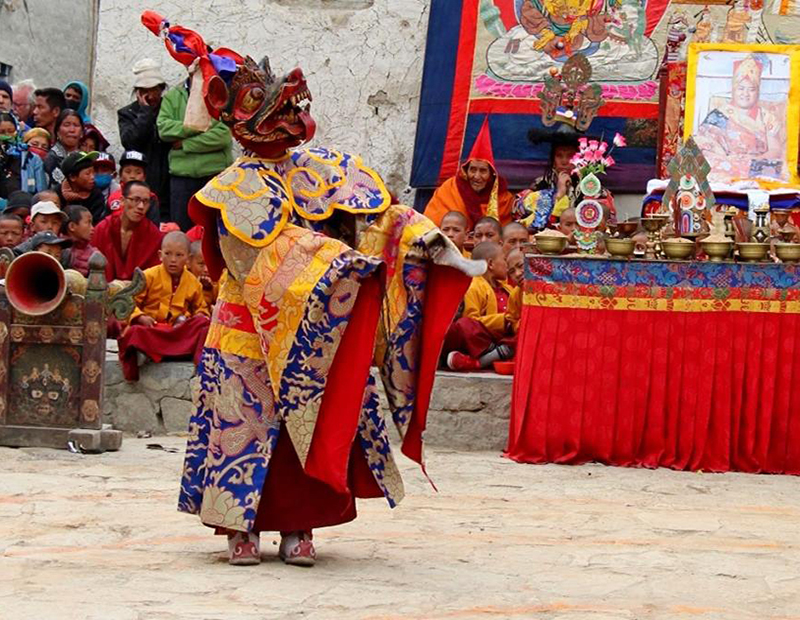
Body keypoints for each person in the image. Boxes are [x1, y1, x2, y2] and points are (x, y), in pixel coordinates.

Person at [117, 231, 210, 381]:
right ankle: (169, 352)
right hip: (153, 329)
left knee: (203, 324)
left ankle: (195, 363)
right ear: (160, 255)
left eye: (179, 255)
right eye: (168, 254)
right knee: (134, 332)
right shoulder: (148, 276)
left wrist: (199, 315)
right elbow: (128, 304)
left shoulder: (193, 282)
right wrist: (140, 317)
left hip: (177, 331)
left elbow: (202, 309)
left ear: (188, 258)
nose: (173, 260)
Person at [694, 54, 783, 182]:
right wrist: (728, 160)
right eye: (741, 88)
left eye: (751, 89)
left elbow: (775, 150)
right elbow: (704, 142)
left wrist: (755, 161)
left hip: (756, 163)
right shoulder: (720, 114)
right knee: (702, 161)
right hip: (725, 160)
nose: (745, 94)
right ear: (734, 90)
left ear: (757, 92)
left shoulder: (767, 117)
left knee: (777, 168)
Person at [157, 82, 232, 230]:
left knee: (216, 233)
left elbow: (224, 135)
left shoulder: (221, 95)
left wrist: (185, 144)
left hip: (215, 176)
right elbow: (164, 129)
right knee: (182, 232)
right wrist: (201, 126)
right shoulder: (173, 96)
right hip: (182, 178)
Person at [423, 118, 515, 228]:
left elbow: (506, 234)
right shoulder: (449, 189)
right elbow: (431, 227)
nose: (476, 176)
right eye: (472, 169)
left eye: (483, 171)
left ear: (492, 174)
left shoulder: (503, 198)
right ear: (465, 171)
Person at [443, 241, 515, 372]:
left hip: (502, 339)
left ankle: (482, 360)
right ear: (491, 264)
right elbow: (471, 321)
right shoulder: (474, 286)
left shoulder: (508, 289)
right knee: (465, 324)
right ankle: (494, 354)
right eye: (504, 259)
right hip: (480, 340)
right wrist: (503, 320)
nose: (508, 265)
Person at [118, 59, 171, 214]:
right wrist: (145, 113)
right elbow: (130, 142)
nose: (151, 95)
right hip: (142, 180)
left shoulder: (169, 109)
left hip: (167, 179)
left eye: (155, 90)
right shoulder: (127, 113)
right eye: (146, 90)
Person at [92, 180, 163, 282]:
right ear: (122, 201)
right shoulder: (103, 228)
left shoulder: (153, 234)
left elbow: (155, 274)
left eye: (145, 202)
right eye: (135, 200)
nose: (141, 206)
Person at [0, 113, 47, 198]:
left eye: (10, 131)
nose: (7, 136)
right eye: (2, 132)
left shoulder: (33, 159)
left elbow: (41, 193)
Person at [106, 151, 159, 223]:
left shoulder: (150, 198)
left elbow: (154, 225)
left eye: (138, 172)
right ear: (121, 175)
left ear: (144, 177)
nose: (132, 176)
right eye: (128, 172)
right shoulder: (112, 198)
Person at [55, 151, 107, 224]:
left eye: (93, 172)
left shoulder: (96, 195)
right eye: (87, 173)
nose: (93, 177)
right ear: (72, 177)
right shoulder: (57, 194)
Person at [43, 110, 84, 186]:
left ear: (81, 133)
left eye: (76, 125)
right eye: (66, 125)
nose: (72, 130)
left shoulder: (85, 158)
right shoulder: (51, 158)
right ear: (58, 132)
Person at [61, 205, 97, 276]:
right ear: (72, 226)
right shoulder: (58, 248)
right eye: (88, 223)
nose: (92, 228)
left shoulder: (93, 254)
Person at [188, 240, 217, 308]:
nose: (206, 270)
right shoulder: (183, 279)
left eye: (209, 264)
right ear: (188, 261)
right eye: (201, 264)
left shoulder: (217, 281)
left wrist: (210, 289)